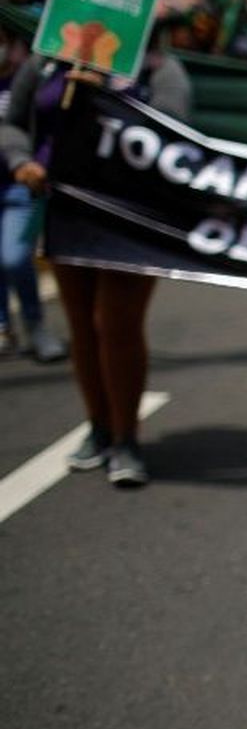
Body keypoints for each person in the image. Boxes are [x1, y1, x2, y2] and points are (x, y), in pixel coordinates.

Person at [0, 30, 192, 486]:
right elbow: (14, 122)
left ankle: (127, 438)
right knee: (83, 326)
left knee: (117, 324)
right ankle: (99, 427)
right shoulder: (45, 64)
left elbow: (174, 131)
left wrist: (103, 98)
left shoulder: (156, 69)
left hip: (128, 217)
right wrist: (20, 161)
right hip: (67, 210)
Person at [0, 22, 66, 362]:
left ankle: (35, 325)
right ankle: (4, 328)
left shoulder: (32, 75)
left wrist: (23, 162)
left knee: (12, 257)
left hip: (18, 185)